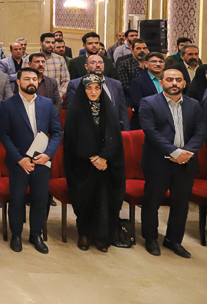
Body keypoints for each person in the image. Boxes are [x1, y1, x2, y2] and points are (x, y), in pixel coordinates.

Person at [140, 68, 207, 258]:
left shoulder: (194, 105)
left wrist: (186, 153)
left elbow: (201, 132)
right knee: (152, 202)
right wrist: (174, 152)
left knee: (181, 204)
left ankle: (173, 240)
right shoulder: (149, 102)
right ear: (161, 83)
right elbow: (151, 132)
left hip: (186, 162)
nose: (174, 83)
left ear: (185, 83)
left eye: (178, 80)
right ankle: (151, 239)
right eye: (169, 79)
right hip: (158, 162)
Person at [0, 67, 63, 254]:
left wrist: (48, 154)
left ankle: (36, 235)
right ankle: (16, 234)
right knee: (17, 200)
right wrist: (20, 159)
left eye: (34, 79)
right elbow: (4, 135)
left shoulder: (47, 104)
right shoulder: (8, 105)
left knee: (40, 200)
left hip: (42, 161)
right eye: (27, 79)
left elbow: (57, 132)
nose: (31, 82)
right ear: (18, 82)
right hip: (19, 162)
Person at [63, 75, 127, 252]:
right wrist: (92, 157)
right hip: (82, 164)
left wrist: (104, 157)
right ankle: (84, 233)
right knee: (86, 198)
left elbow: (115, 136)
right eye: (89, 88)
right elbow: (73, 139)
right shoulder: (75, 110)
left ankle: (101, 235)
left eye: (97, 88)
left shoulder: (109, 108)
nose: (93, 92)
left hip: (107, 164)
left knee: (105, 199)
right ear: (83, 90)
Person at [65, 54, 130, 131]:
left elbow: (122, 111)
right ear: (86, 66)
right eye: (93, 63)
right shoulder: (75, 84)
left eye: (100, 62)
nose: (98, 65)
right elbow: (71, 112)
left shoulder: (116, 84)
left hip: (112, 130)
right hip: (86, 130)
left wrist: (126, 131)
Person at [128, 52, 166, 130]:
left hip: (167, 123)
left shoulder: (170, 81)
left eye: (161, 61)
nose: (158, 64)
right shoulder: (137, 82)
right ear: (146, 64)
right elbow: (138, 104)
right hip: (146, 124)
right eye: (154, 61)